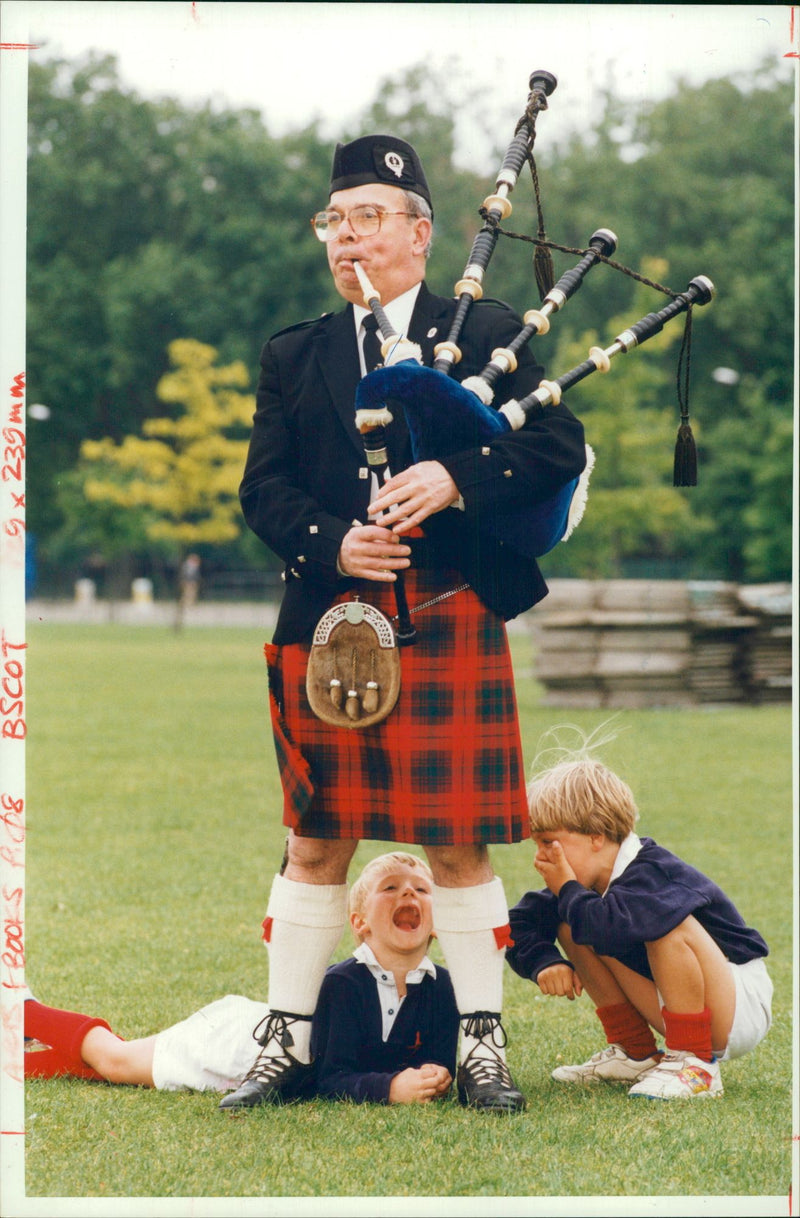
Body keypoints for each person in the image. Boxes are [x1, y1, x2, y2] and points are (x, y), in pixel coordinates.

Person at [231, 132, 587, 1113]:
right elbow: (261, 491)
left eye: (369, 220)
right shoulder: (295, 354)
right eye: (333, 221)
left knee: (458, 844)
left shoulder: (483, 333)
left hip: (443, 619)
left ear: (420, 234)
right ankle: (286, 1047)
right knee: (313, 841)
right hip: (323, 625)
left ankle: (480, 1049)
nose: (348, 238)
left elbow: (557, 442)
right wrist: (331, 542)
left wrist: (454, 477)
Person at [25, 853, 458, 1106]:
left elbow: (440, 1062)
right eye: (391, 888)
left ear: (439, 920)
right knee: (114, 1060)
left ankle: (16, 1062)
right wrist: (391, 1088)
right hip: (236, 1049)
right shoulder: (342, 984)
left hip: (258, 1058)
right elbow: (331, 1077)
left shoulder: (444, 987)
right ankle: (20, 1007)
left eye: (422, 890)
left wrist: (436, 1079)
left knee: (113, 1072)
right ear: (358, 921)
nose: (408, 894)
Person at [506, 739, 773, 1100]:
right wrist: (544, 962)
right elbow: (516, 925)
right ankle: (634, 1054)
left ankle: (695, 1064)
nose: (540, 858)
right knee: (572, 919)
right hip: (684, 1001)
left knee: (665, 925)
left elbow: (613, 926)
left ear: (596, 837)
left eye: (549, 842)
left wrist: (567, 888)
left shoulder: (652, 872)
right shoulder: (580, 885)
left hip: (738, 1005)